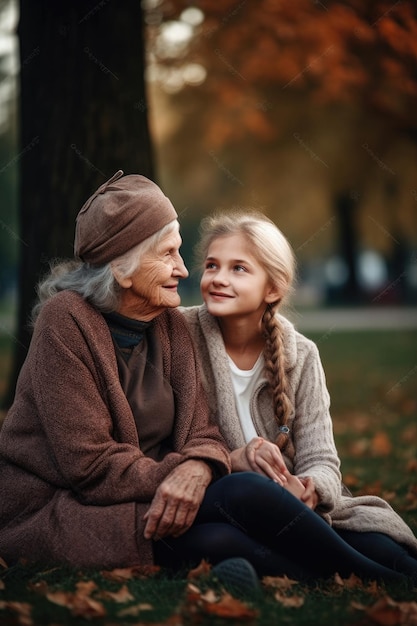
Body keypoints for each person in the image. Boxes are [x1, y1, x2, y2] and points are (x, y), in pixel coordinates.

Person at [0, 176, 412, 586]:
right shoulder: (66, 321)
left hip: (147, 496)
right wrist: (191, 470)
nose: (185, 269)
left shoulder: (169, 326)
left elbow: (202, 432)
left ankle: (381, 575)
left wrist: (200, 467)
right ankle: (373, 580)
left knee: (236, 528)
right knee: (234, 513)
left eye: (181, 253)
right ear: (123, 269)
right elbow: (90, 466)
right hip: (66, 507)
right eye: (168, 255)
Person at [180, 209, 417, 585]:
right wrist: (232, 460)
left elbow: (321, 458)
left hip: (289, 506)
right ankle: (373, 579)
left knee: (385, 545)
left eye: (238, 268)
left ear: (272, 288)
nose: (219, 279)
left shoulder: (301, 355)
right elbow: (170, 441)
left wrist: (308, 490)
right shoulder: (180, 336)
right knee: (216, 538)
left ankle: (392, 571)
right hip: (223, 502)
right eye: (212, 265)